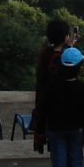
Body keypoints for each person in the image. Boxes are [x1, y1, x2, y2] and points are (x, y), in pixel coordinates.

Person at [31, 17, 72, 153]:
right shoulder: (57, 59)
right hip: (54, 105)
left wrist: (69, 46)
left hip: (43, 99)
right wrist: (70, 47)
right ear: (66, 37)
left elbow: (57, 56)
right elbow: (65, 68)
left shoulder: (44, 52)